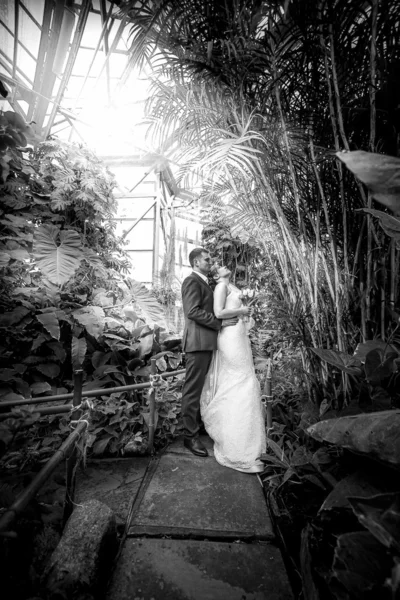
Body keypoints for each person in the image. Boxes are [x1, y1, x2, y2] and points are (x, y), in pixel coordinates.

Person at [200, 264, 266, 473]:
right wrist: (241, 310)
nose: (224, 266)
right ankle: (235, 448)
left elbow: (239, 313)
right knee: (239, 381)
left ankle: (248, 442)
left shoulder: (234, 286)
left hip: (239, 336)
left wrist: (245, 313)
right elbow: (218, 312)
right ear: (216, 274)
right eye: (219, 266)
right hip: (228, 338)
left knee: (246, 381)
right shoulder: (221, 287)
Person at [181, 248, 237, 457]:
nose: (210, 261)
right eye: (206, 259)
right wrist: (219, 323)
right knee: (192, 390)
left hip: (206, 343)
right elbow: (192, 311)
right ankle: (189, 436)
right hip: (197, 343)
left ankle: (197, 427)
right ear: (196, 262)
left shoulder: (204, 282)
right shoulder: (191, 281)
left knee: (202, 389)